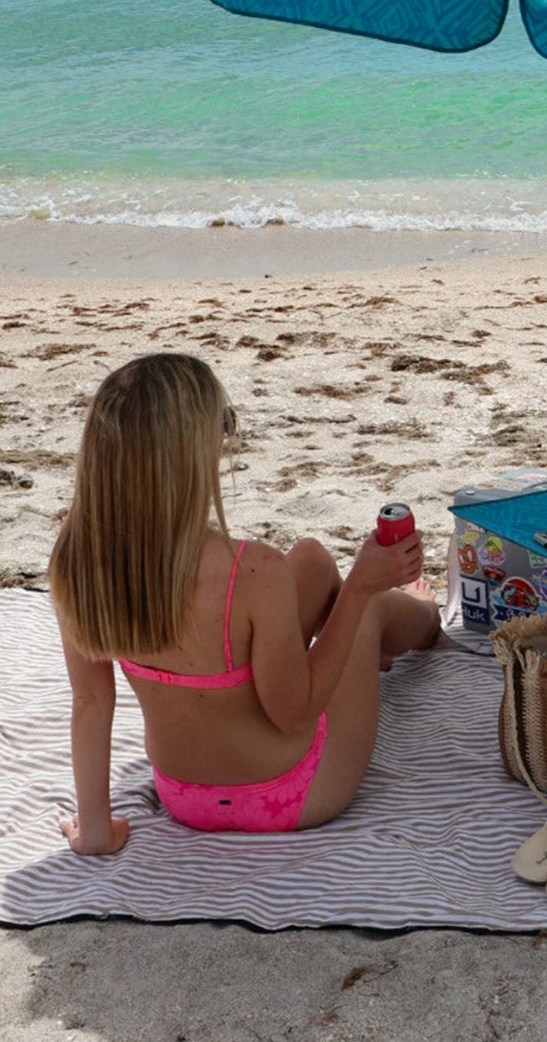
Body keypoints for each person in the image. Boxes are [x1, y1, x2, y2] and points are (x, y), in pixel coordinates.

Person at [49, 352, 439, 853]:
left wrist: (96, 830)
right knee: (371, 610)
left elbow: (91, 702)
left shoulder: (79, 556)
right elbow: (296, 715)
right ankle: (427, 623)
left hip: (183, 796)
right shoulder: (249, 571)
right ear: (192, 456)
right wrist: (363, 585)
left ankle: (381, 644)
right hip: (294, 792)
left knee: (314, 561)